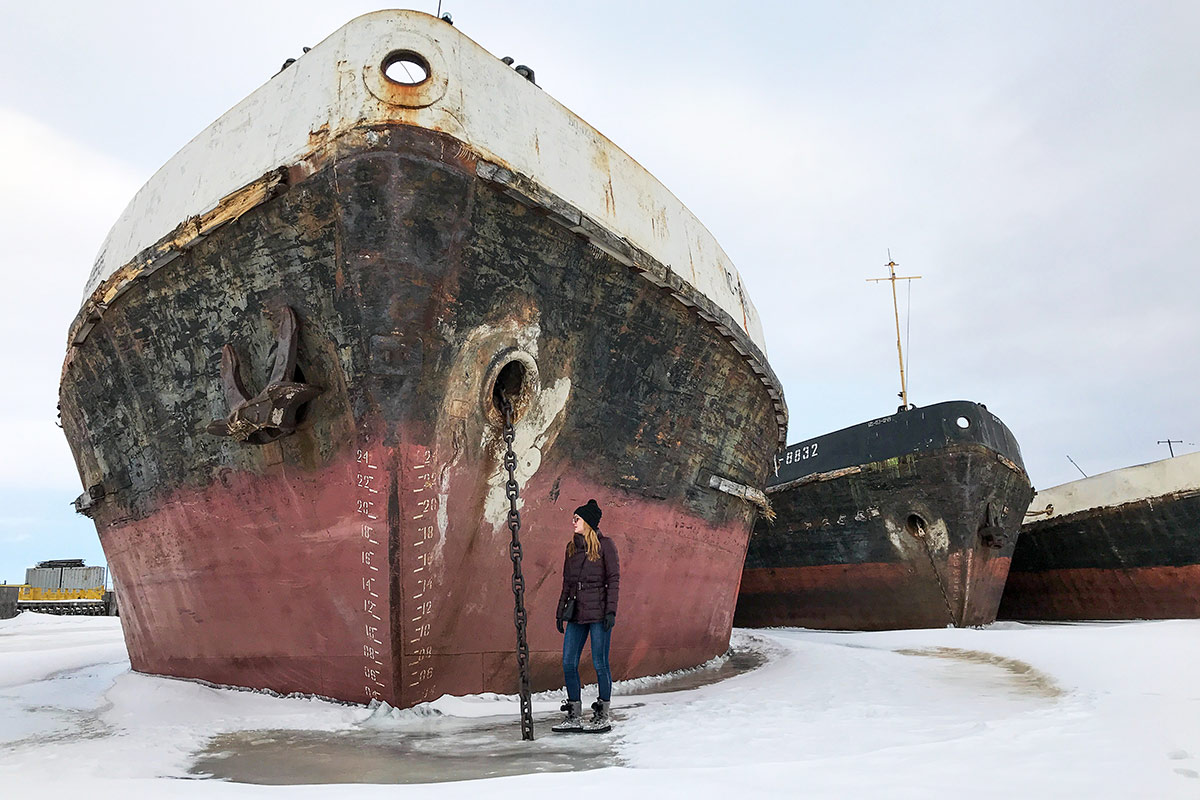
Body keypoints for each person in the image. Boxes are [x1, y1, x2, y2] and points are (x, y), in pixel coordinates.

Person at [552, 499, 619, 733]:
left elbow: (613, 580)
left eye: (577, 519)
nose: (573, 522)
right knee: (568, 662)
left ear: (588, 523)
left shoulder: (605, 546)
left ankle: (602, 714)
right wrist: (560, 613)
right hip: (577, 613)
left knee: (600, 663)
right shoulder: (571, 549)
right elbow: (567, 584)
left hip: (599, 614)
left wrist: (611, 611)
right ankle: (573, 715)